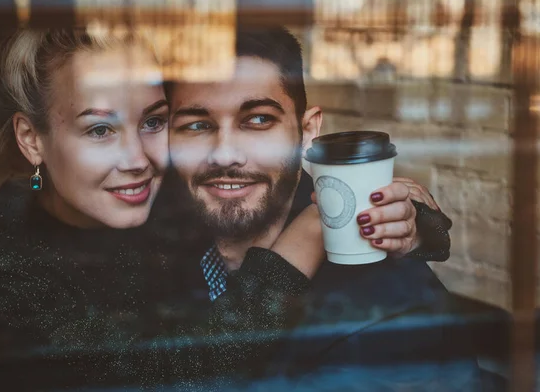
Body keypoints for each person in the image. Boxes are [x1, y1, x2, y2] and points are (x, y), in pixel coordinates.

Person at [0, 27, 326, 389]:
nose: (137, 160)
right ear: (32, 140)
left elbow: (268, 181)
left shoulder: (155, 196)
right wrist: (305, 241)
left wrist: (359, 210)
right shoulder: (5, 270)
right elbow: (158, 380)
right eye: (100, 130)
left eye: (152, 121)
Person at [164, 26, 480, 389]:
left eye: (258, 120)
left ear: (308, 132)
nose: (224, 154)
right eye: (197, 125)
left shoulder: (385, 318)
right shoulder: (153, 249)